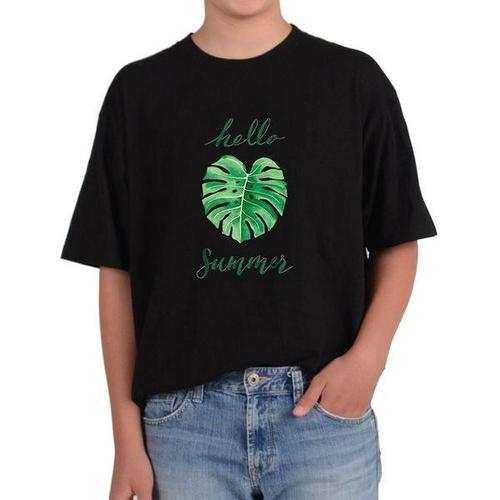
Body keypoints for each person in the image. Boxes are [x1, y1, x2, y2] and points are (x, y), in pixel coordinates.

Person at [61, 0, 437, 498]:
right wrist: (124, 437)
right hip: (183, 429)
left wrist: (367, 362)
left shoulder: (352, 82)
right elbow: (117, 272)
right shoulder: (139, 93)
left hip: (321, 418)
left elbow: (397, 240)